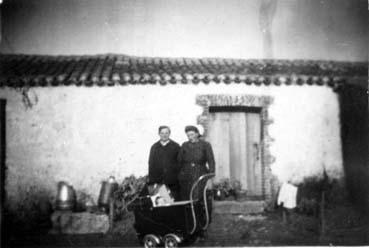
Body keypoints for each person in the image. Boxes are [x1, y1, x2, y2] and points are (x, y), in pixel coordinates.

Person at [177, 125, 215, 201]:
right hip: (186, 174)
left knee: (198, 196)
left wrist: (210, 176)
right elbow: (179, 161)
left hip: (200, 173)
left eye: (192, 134)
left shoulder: (205, 145)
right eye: (188, 135)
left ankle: (199, 212)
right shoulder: (185, 145)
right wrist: (180, 174)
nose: (190, 137)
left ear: (197, 134)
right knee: (186, 196)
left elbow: (211, 161)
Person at [148, 126, 181, 200]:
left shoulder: (176, 146)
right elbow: (151, 164)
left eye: (166, 133)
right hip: (159, 183)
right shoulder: (154, 147)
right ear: (159, 134)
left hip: (173, 182)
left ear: (169, 134)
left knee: (173, 204)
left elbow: (180, 164)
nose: (164, 135)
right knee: (161, 205)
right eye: (162, 133)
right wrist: (152, 182)